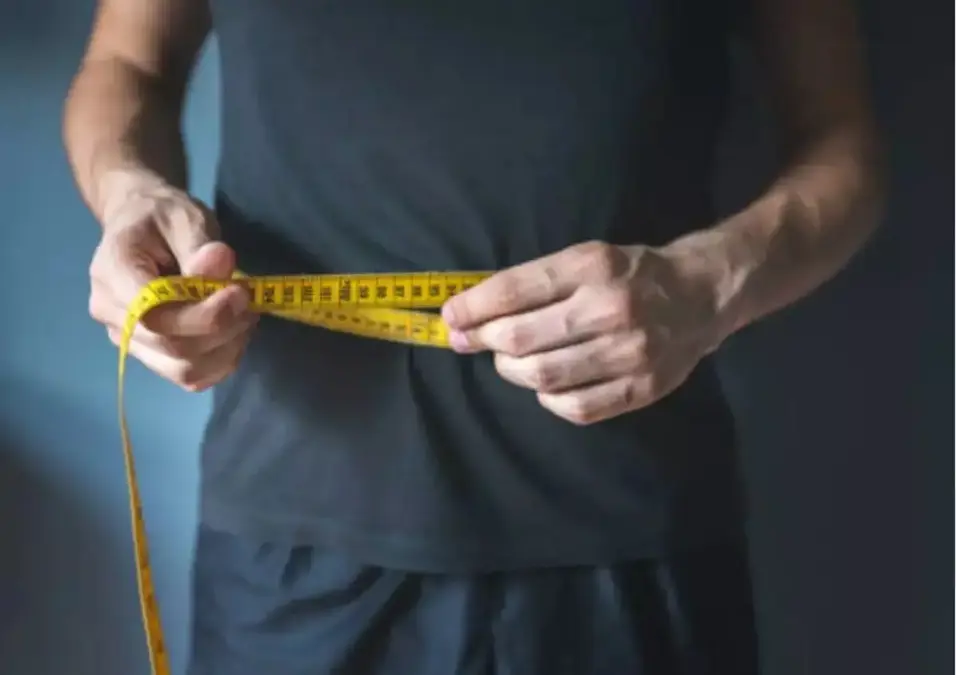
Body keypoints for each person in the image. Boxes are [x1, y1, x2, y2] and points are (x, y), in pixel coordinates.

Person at [63, 0, 881, 673]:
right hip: (290, 545)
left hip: (632, 540)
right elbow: (126, 64)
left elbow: (842, 141)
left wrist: (711, 282)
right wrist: (129, 192)